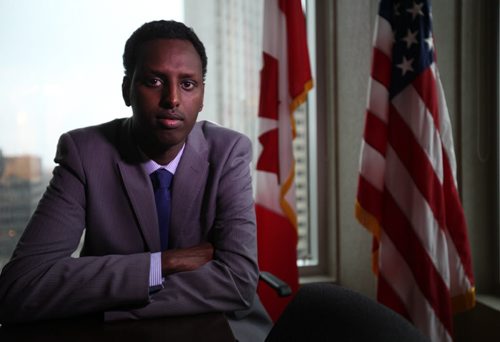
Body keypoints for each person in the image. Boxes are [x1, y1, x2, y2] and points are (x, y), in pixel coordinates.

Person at [0, 20, 272, 341]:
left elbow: (238, 283)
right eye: (154, 81)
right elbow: (20, 286)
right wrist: (163, 263)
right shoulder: (85, 153)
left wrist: (104, 299)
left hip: (217, 327)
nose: (172, 99)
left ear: (201, 97)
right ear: (126, 89)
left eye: (187, 84)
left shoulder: (229, 151)